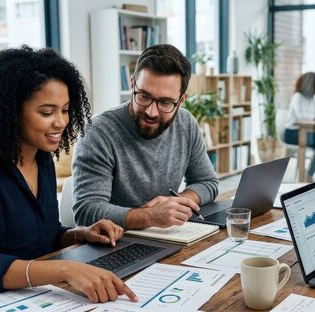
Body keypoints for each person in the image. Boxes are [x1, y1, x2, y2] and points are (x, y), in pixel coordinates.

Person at [0, 46, 137, 304]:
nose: (61, 122)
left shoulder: (41, 158)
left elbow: (40, 236)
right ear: (10, 112)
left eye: (65, 110)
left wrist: (79, 233)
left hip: (26, 295)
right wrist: (65, 269)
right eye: (46, 112)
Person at [73, 44, 218, 230]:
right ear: (132, 84)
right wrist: (150, 217)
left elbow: (208, 183)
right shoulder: (98, 132)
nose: (151, 112)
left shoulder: (186, 123)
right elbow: (86, 211)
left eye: (165, 102)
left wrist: (176, 203)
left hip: (167, 237)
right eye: (143, 96)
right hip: (114, 244)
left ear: (181, 100)